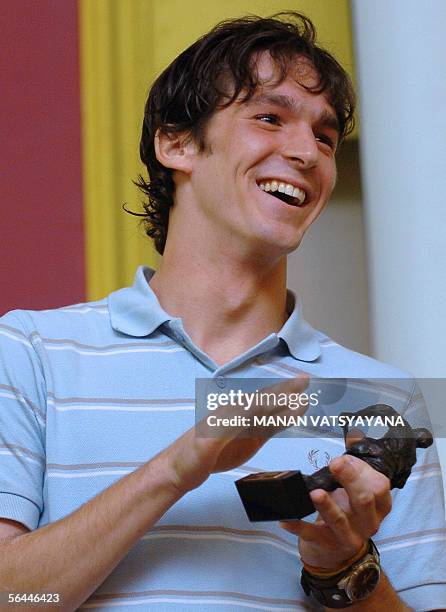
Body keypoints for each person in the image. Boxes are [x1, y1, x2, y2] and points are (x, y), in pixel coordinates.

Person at [0, 12, 445, 611]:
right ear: (176, 142)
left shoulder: (380, 398)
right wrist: (180, 467)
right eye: (270, 117)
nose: (306, 153)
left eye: (325, 136)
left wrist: (342, 565)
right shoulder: (31, 351)